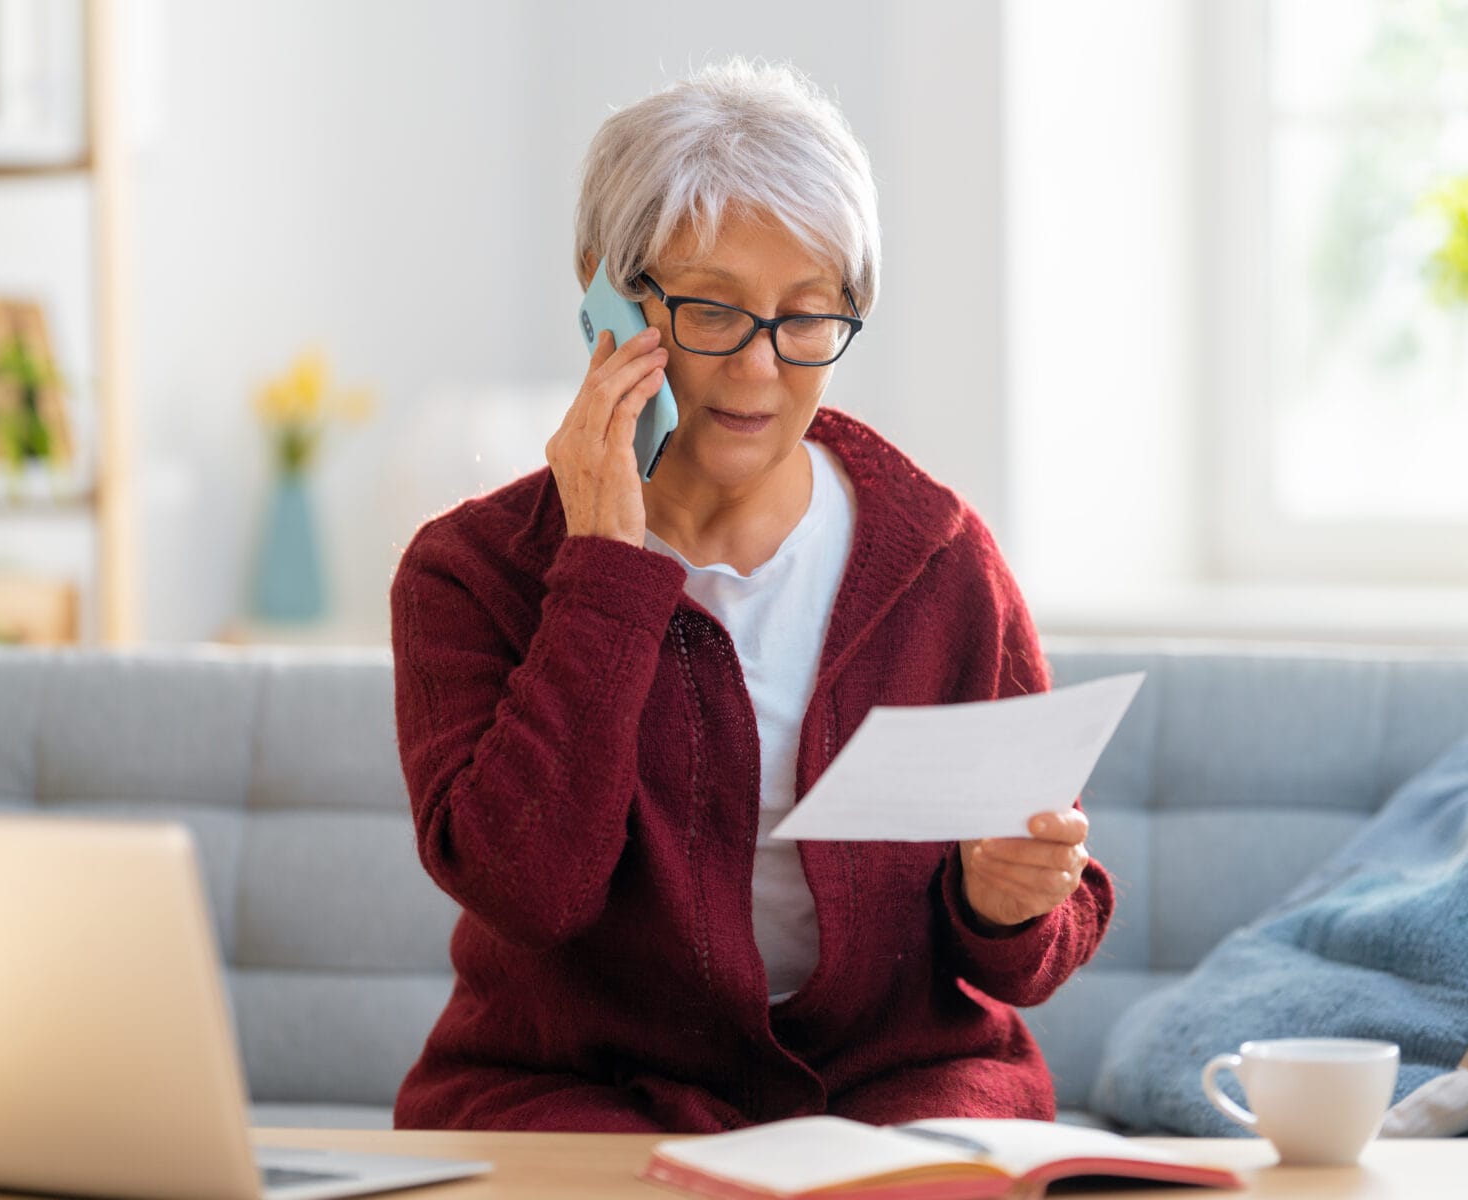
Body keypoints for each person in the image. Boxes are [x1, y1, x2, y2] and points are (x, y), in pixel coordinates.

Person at [390, 56, 1111, 1133]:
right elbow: (529, 891)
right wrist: (603, 572)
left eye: (807, 318)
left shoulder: (941, 561)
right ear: (604, 292)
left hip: (892, 1090)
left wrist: (1007, 902)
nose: (761, 370)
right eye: (712, 313)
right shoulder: (469, 573)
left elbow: (1033, 948)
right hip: (581, 1089)